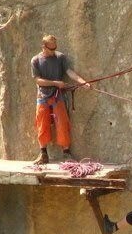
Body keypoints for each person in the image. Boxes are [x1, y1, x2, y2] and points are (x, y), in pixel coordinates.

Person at [31, 34, 91, 165]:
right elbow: (38, 80)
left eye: (55, 48)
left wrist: (82, 82)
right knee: (42, 124)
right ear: (43, 47)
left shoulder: (60, 57)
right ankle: (43, 154)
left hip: (57, 96)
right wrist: (56, 83)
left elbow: (69, 71)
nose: (53, 51)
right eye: (51, 49)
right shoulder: (35, 60)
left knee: (62, 123)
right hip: (42, 96)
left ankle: (66, 153)